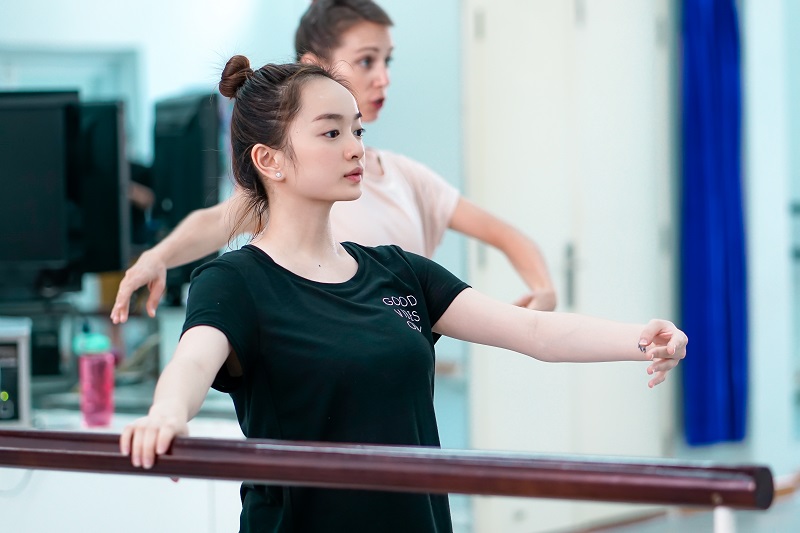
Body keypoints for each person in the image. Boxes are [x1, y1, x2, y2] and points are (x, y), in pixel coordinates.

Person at [119, 57, 688, 533]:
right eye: (331, 132)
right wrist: (166, 414)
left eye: (357, 131)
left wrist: (641, 338)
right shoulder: (234, 280)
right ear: (269, 160)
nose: (355, 149)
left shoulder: (399, 272)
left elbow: (534, 332)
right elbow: (193, 360)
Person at [110, 0, 556, 325]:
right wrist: (157, 257)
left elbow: (507, 236)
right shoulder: (297, 183)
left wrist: (543, 289)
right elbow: (217, 221)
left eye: (387, 61)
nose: (383, 78)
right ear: (315, 66)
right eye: (366, 61)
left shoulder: (406, 177)